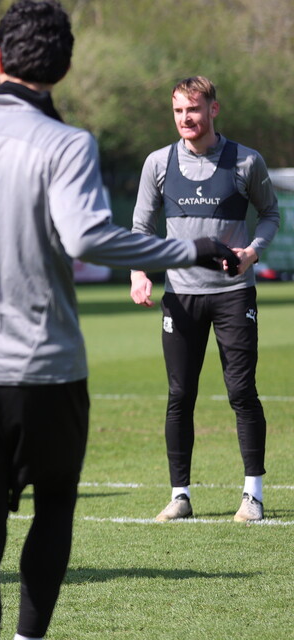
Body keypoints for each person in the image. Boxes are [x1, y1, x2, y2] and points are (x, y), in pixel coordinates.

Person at [0, 2, 239, 639]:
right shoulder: (67, 143)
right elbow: (85, 236)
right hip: (43, 368)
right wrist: (187, 249)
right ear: (65, 66)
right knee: (53, 508)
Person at [129, 76, 280, 524]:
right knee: (180, 395)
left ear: (213, 109)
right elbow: (141, 226)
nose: (185, 119)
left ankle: (252, 495)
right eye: (178, 111)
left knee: (241, 392)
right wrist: (138, 272)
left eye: (193, 109)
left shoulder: (245, 161)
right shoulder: (158, 163)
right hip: (181, 297)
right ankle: (180, 495)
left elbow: (270, 213)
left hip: (234, 294)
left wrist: (253, 251)